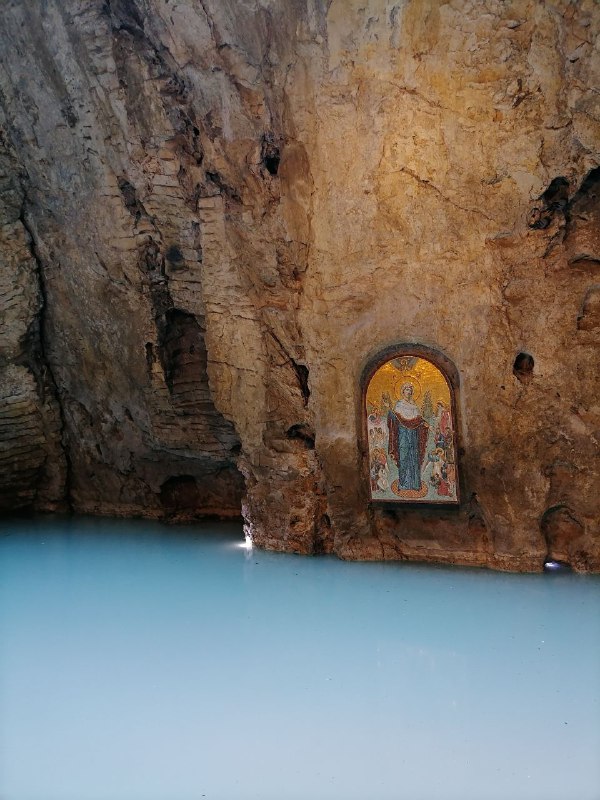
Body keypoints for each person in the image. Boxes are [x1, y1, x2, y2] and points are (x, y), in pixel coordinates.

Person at [387, 382, 429, 491]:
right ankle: (403, 484)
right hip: (403, 435)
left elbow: (418, 420)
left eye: (410, 390)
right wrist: (390, 412)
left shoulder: (414, 405)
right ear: (402, 391)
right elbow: (396, 419)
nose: (409, 392)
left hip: (413, 435)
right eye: (406, 390)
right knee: (404, 457)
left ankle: (415, 484)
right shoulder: (399, 405)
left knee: (414, 457)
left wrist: (424, 423)